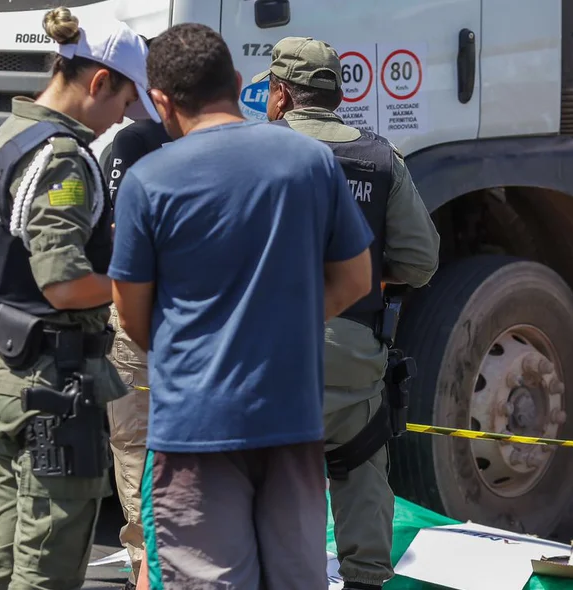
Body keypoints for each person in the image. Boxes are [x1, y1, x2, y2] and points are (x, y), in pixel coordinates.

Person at [108, 23, 375, 589]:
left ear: (160, 101)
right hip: (293, 419)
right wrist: (280, 326)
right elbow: (355, 279)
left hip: (194, 430)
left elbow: (131, 316)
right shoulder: (310, 162)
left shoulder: (149, 180)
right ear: (235, 81)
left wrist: (204, 346)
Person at [0, 7, 159, 590]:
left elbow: (19, 248)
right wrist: (143, 279)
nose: (120, 121)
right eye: (124, 104)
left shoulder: (3, 134)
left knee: (2, 554)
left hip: (3, 367)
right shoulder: (64, 158)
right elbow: (63, 282)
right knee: (49, 561)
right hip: (52, 382)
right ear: (99, 82)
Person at [257, 36, 441, 590]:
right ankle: (362, 578)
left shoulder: (259, 148)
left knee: (270, 478)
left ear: (282, 94)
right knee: (361, 468)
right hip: (356, 351)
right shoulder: (381, 158)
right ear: (336, 94)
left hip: (271, 352)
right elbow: (421, 261)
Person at [99, 115, 171, 590]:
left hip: (150, 316)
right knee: (136, 443)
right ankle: (146, 562)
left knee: (137, 443)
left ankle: (149, 567)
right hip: (169, 315)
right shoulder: (137, 141)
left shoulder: (136, 140)